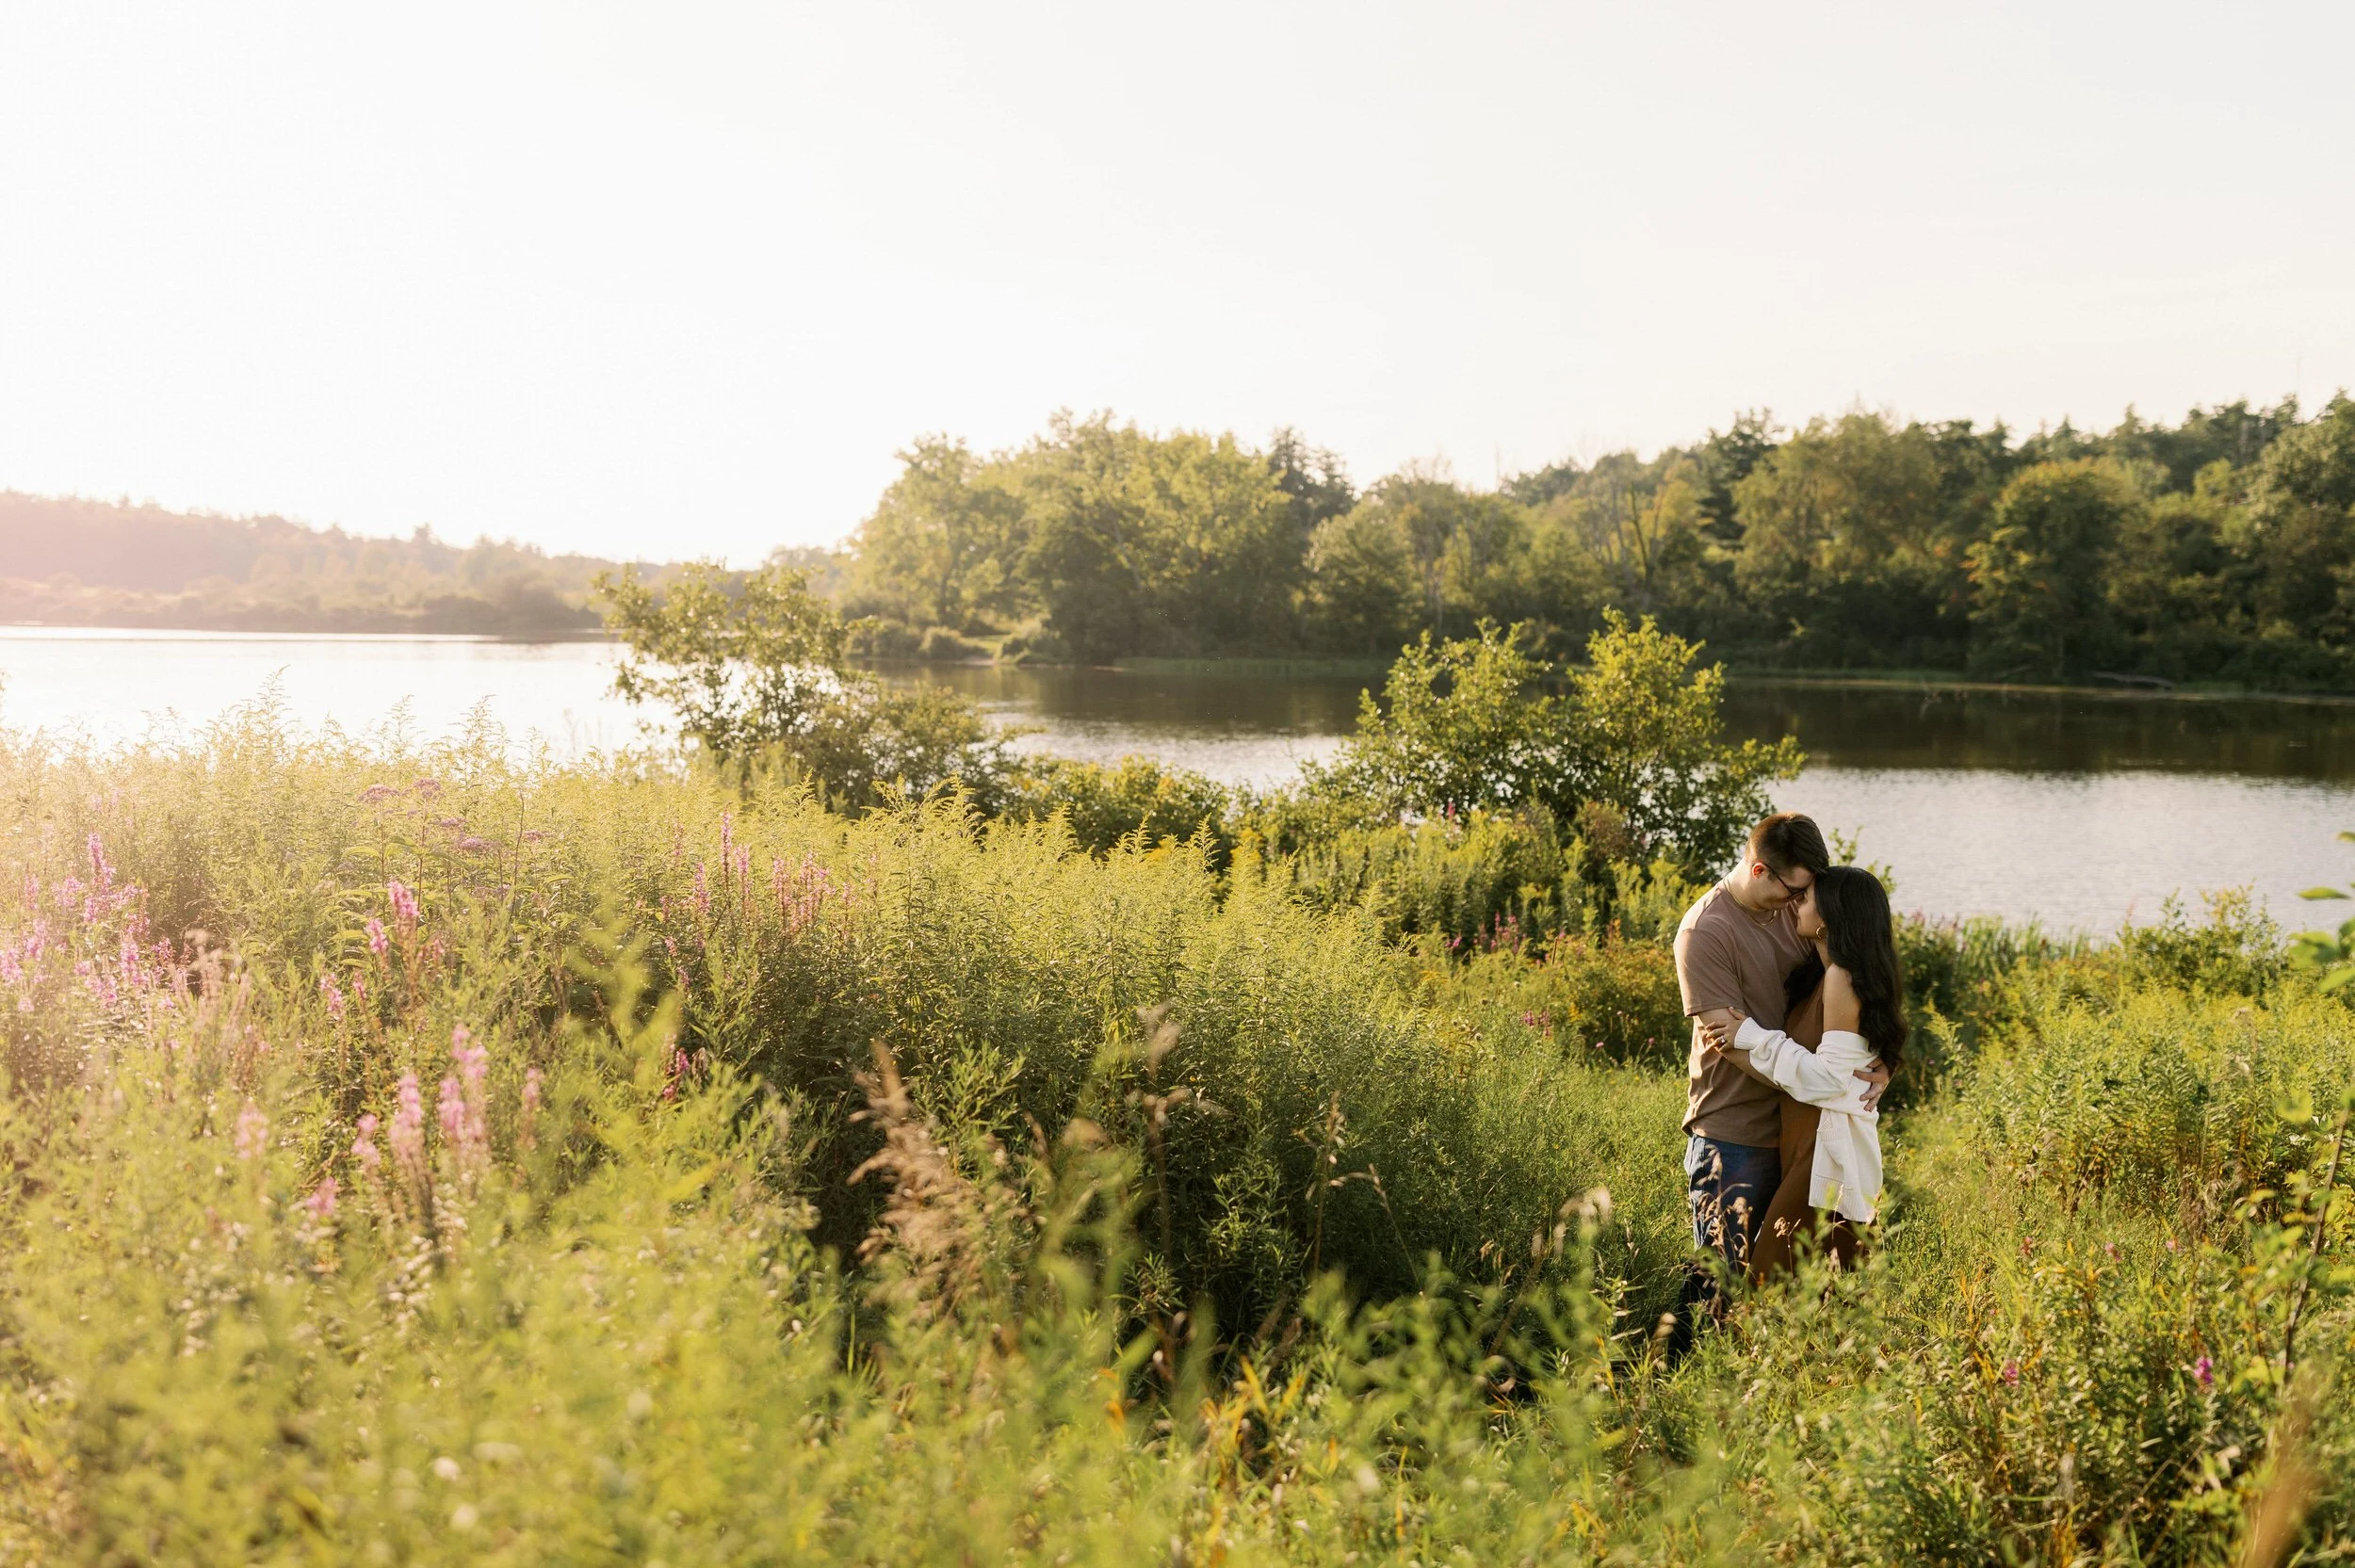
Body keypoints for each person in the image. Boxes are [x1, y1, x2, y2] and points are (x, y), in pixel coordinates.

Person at [1674, 814, 1888, 1282]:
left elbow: (1861, 973)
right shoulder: (1705, 932)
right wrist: (1832, 1083)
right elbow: (1728, 1041)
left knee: (1787, 1284)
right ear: (1758, 870)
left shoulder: (1803, 911)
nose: (1801, 902)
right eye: (1794, 891)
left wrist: (1875, 1061)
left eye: (1807, 892)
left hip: (1803, 1133)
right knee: (1718, 1281)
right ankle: (1678, 1357)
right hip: (1736, 1133)